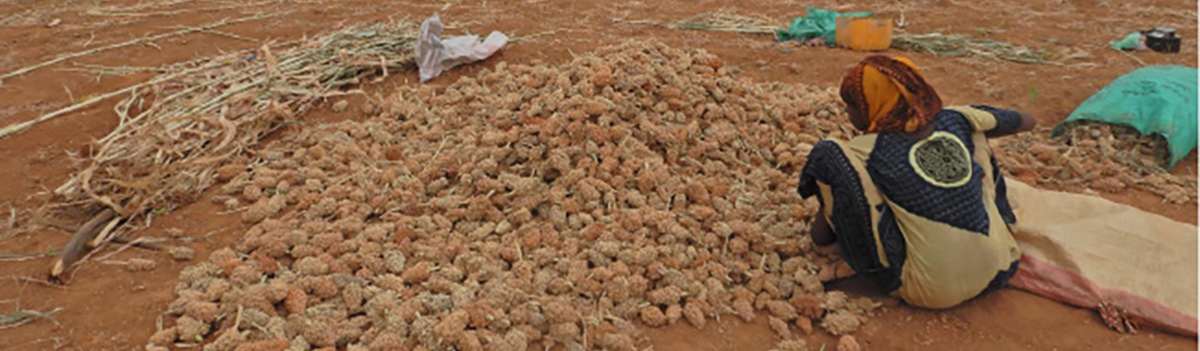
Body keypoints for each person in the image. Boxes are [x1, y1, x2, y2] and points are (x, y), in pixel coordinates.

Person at [797, 55, 1037, 309]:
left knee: (831, 156)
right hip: (1003, 266)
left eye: (852, 106)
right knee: (975, 130)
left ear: (874, 106)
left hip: (933, 291)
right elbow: (1028, 121)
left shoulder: (863, 151)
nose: (848, 114)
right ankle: (993, 238)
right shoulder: (955, 119)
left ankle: (878, 276)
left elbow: (822, 237)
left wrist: (828, 211)